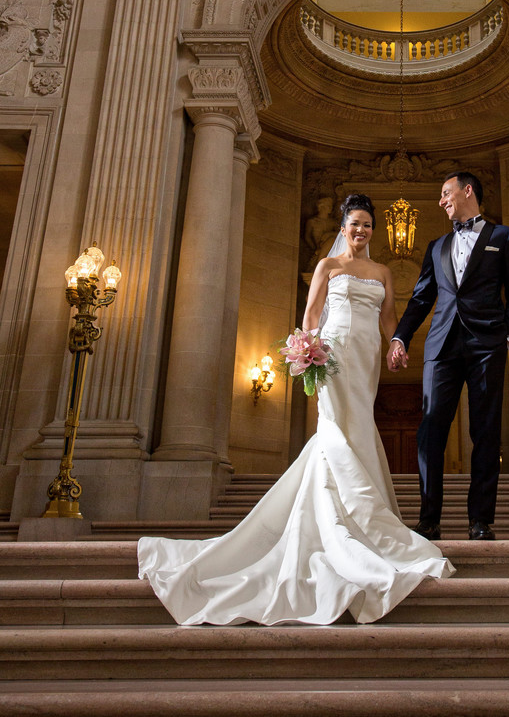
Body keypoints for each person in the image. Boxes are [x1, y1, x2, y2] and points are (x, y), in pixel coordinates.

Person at [138, 193, 454, 626]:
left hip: (366, 357)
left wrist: (397, 344)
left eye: (367, 225)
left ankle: (351, 511)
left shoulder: (381, 272)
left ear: (373, 232)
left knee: (359, 421)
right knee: (336, 427)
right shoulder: (328, 267)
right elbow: (310, 316)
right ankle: (344, 516)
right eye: (354, 224)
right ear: (343, 228)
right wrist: (310, 350)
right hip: (335, 351)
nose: (360, 231)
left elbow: (388, 317)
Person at [387, 172, 509, 542]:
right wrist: (400, 337)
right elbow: (420, 299)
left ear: (467, 192)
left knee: (485, 432)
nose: (441, 201)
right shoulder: (436, 246)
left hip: (487, 345)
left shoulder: (504, 237)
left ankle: (480, 520)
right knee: (430, 431)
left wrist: (507, 338)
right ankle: (429, 519)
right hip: (440, 347)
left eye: (445, 193)